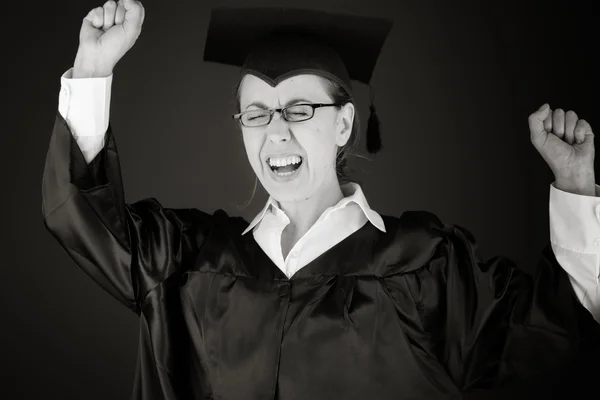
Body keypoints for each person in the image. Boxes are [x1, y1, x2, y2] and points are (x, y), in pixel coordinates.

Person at [42, 1, 600, 399]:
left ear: (344, 125)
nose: (275, 132)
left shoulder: (424, 263)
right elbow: (88, 222)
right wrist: (94, 69)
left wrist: (575, 186)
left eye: (299, 110)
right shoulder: (190, 262)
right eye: (256, 114)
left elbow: (551, 333)